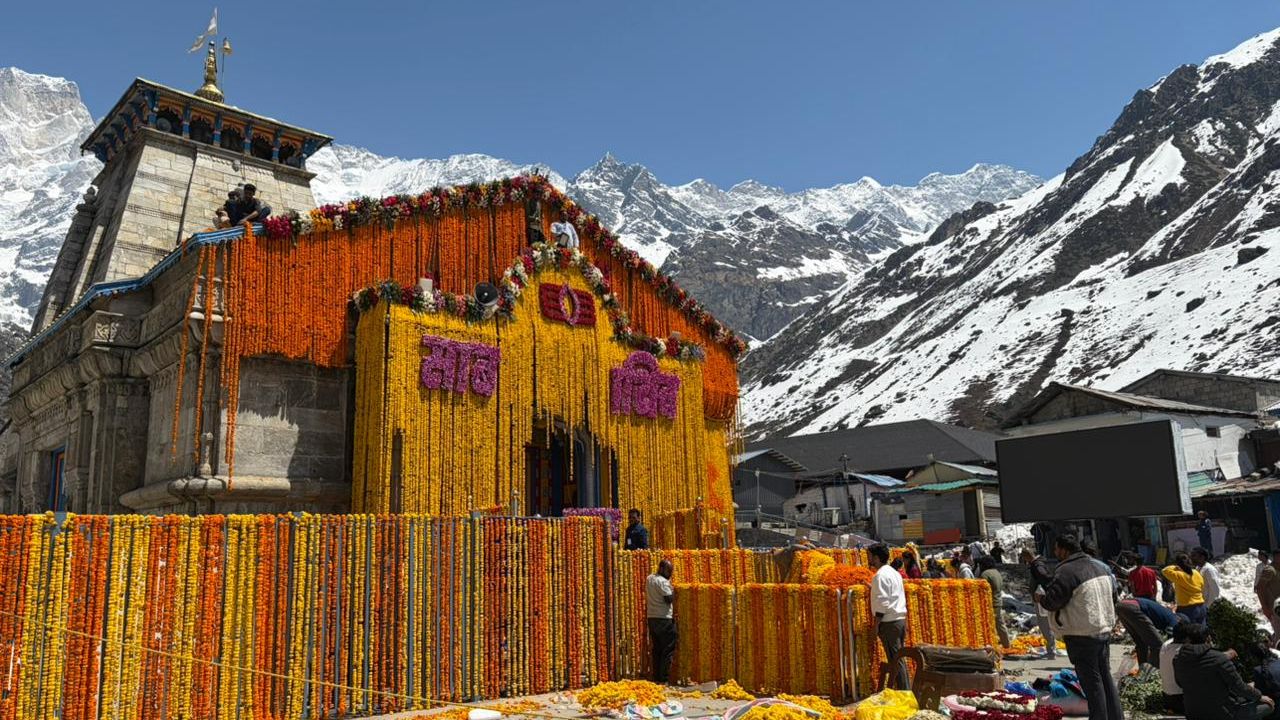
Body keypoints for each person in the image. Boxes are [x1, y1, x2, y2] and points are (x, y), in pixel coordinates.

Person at [1040, 534, 1122, 720]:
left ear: (1063, 549)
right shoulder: (1101, 567)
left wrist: (1040, 599)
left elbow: (1053, 601)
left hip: (1081, 633)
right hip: (1102, 629)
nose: (1055, 552)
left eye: (1056, 549)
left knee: (1092, 682)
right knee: (1105, 677)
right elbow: (1114, 596)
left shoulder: (1067, 571)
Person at [1174, 622, 1273, 720]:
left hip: (1192, 713)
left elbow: (1179, 683)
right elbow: (1238, 687)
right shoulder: (1218, 658)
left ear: (1188, 640)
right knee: (1268, 705)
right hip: (1223, 714)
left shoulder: (1178, 658)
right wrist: (1259, 696)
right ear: (1208, 638)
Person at [869, 543, 910, 690]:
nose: (869, 560)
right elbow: (891, 595)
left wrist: (876, 626)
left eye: (871, 557)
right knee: (898, 657)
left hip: (889, 623)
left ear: (876, 558)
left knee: (895, 661)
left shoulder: (879, 576)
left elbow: (882, 604)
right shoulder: (895, 573)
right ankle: (904, 690)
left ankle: (905, 693)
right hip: (899, 620)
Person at [1116, 597, 1178, 667]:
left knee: (1141, 643)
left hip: (1121, 605)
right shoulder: (1174, 621)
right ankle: (1153, 671)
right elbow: (1170, 641)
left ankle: (1142, 670)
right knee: (1157, 644)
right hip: (1133, 608)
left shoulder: (1167, 615)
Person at [1021, 547, 1057, 659]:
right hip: (1041, 597)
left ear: (1027, 556)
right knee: (1046, 623)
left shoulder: (1037, 566)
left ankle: (1051, 651)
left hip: (1040, 598)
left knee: (1044, 624)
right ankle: (1051, 649)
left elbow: (1045, 578)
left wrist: (1039, 591)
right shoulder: (1039, 564)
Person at [645, 559, 677, 684]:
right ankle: (664, 679)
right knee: (668, 648)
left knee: (657, 648)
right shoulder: (663, 582)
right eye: (669, 571)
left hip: (652, 618)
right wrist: (673, 590)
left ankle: (656, 677)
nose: (671, 574)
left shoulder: (650, 578)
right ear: (663, 569)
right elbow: (668, 599)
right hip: (664, 618)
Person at [1164, 552, 1207, 625]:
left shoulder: (1180, 575)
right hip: (1201, 606)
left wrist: (1176, 567)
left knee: (1189, 632)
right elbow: (1202, 586)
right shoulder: (1196, 573)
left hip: (1187, 608)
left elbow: (1165, 570)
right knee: (1201, 632)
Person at [977, 555, 1010, 648]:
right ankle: (1006, 644)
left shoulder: (985, 574)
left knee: (989, 625)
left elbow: (981, 589)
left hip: (990, 603)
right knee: (1000, 624)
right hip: (998, 601)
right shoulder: (996, 572)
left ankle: (991, 644)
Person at [1159, 621, 1189, 715]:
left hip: (1167, 697)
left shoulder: (1165, 645)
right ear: (1187, 637)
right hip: (1181, 698)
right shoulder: (1185, 651)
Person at [1257, 549, 1280, 641]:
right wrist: (1265, 608)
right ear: (1276, 557)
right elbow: (1259, 589)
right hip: (1274, 609)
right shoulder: (1269, 570)